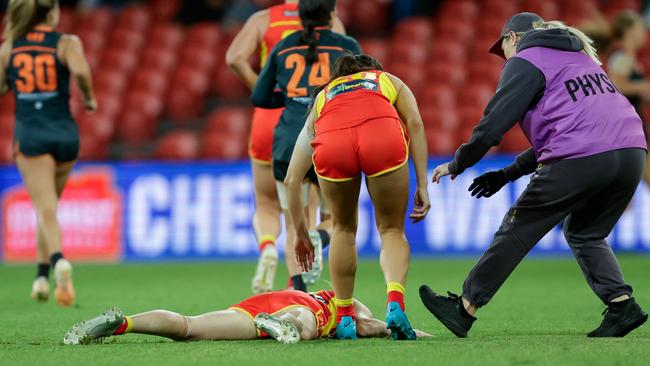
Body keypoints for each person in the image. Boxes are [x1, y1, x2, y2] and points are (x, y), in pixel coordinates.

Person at [419, 12, 648, 338]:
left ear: (513, 37)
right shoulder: (580, 58)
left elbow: (494, 125)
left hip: (585, 156)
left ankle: (464, 308)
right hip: (632, 153)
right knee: (585, 232)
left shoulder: (527, 58)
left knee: (519, 226)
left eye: (504, 48)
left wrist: (459, 162)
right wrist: (508, 174)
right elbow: (572, 130)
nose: (505, 58)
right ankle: (622, 305)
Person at [285, 54, 430, 340]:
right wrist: (422, 184)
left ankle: (345, 318)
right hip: (382, 136)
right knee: (391, 230)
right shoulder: (385, 80)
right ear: (371, 70)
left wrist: (301, 234)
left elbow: (291, 179)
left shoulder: (323, 98)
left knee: (342, 228)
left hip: (333, 142)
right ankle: (395, 304)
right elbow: (414, 122)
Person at [226, 0, 344, 294]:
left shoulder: (264, 19)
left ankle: (268, 247)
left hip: (270, 121)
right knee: (310, 213)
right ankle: (301, 282)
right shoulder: (332, 23)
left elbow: (234, 58)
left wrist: (267, 88)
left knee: (267, 204)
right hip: (313, 119)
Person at [251, 0, 361, 294]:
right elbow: (365, 89)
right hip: (332, 138)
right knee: (338, 222)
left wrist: (292, 100)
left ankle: (298, 291)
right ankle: (320, 241)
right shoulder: (345, 45)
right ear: (333, 14)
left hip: (288, 141)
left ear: (300, 17)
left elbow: (260, 96)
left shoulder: (284, 46)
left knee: (292, 224)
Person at [0, 0, 97, 306]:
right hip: (65, 134)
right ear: (53, 13)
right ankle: (41, 278)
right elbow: (81, 72)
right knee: (49, 206)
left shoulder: (10, 47)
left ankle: (58, 262)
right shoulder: (67, 43)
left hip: (32, 135)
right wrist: (90, 98)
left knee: (45, 209)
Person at [63, 289, 430, 345]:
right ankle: (281, 327)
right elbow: (367, 324)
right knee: (301, 324)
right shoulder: (338, 303)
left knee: (189, 327)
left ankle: (125, 322)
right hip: (302, 311)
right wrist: (401, 330)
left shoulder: (314, 290)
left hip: (254, 306)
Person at [607, 10, 650, 184]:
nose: (644, 34)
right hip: (626, 125)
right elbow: (616, 86)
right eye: (640, 28)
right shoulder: (622, 57)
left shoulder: (631, 60)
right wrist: (644, 86)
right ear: (629, 31)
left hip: (635, 121)